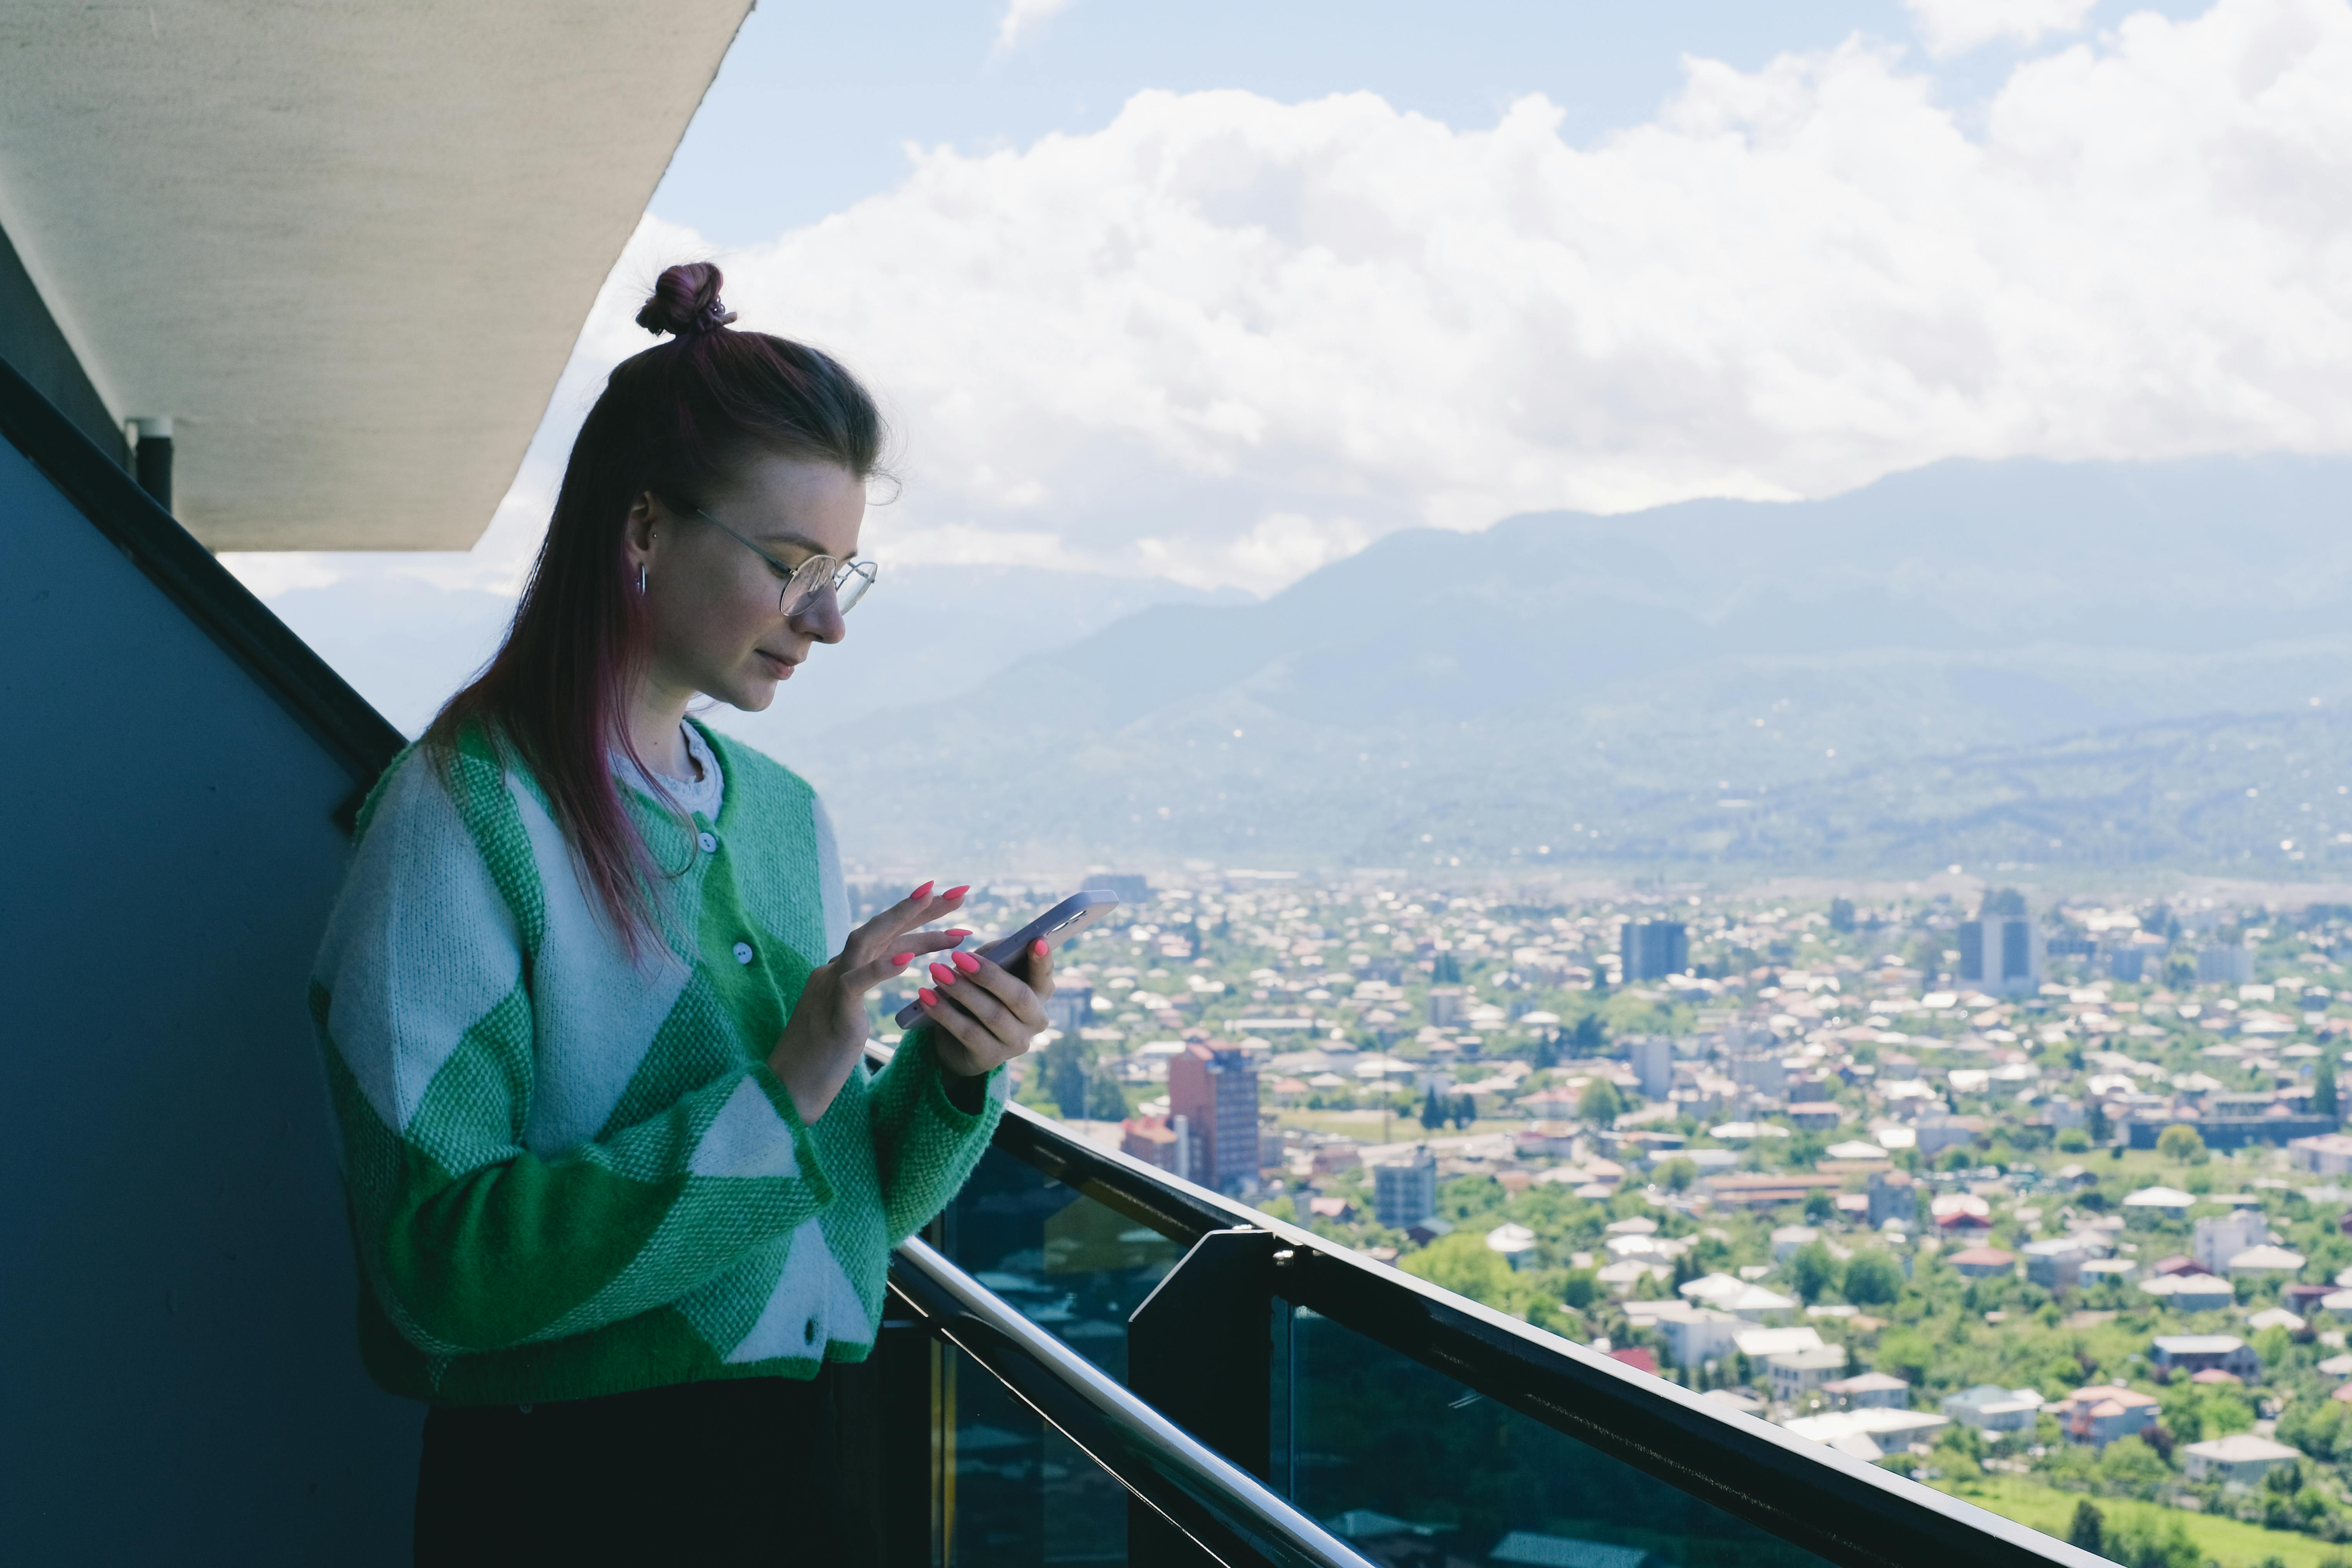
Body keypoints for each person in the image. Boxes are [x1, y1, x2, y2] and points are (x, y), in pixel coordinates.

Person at [307, 262, 1050, 1563]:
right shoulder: (459, 820)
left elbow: (825, 1199)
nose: (826, 619)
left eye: (847, 573)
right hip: (576, 1485)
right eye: (791, 563)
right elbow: (433, 1271)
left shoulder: (779, 814)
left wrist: (947, 1071)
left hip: (809, 1458)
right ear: (643, 529)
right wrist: (784, 1090)